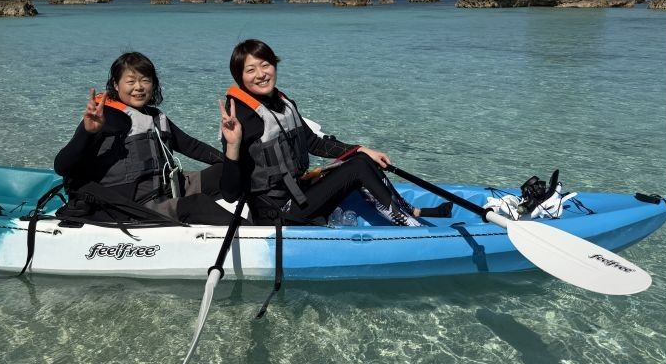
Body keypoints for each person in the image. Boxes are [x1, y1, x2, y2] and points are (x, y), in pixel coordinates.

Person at [218, 39, 452, 226]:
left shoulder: (281, 102)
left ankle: (409, 211)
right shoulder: (241, 118)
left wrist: (361, 149)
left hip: (300, 193)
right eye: (250, 70)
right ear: (240, 78)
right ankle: (411, 227)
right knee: (358, 166)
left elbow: (313, 143)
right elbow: (229, 194)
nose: (261, 74)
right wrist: (232, 145)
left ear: (275, 65)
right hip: (279, 211)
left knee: (360, 158)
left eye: (265, 64)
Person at [55, 52, 233, 224]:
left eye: (145, 80)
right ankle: (250, 234)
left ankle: (256, 219)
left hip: (167, 188)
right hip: (135, 205)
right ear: (116, 85)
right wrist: (88, 132)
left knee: (226, 172)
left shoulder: (154, 116)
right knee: (197, 205)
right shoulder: (104, 119)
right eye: (130, 81)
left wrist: (232, 163)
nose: (139, 87)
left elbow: (192, 146)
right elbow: (62, 166)